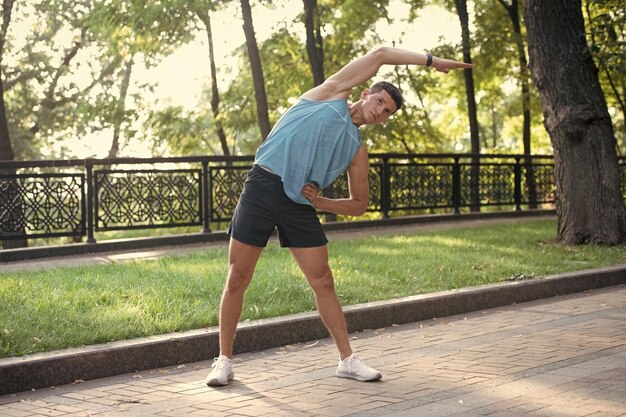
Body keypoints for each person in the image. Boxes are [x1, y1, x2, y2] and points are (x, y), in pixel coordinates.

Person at [206, 47, 471, 386]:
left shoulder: (357, 148)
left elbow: (360, 203)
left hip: (299, 203)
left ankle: (347, 360)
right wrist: (433, 61)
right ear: (365, 93)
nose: (380, 112)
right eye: (379, 102)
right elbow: (382, 54)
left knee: (323, 281)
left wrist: (322, 203)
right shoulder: (328, 95)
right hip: (263, 185)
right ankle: (224, 361)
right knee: (238, 278)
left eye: (387, 112)